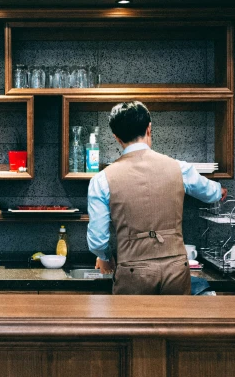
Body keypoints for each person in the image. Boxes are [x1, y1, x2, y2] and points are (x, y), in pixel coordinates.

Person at [86, 101, 227, 295]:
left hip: (133, 272)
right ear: (149, 128)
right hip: (176, 268)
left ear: (117, 138)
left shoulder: (102, 180)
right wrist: (219, 191)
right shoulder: (179, 168)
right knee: (175, 325)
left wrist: (103, 257)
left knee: (134, 326)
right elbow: (211, 193)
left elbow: (98, 238)